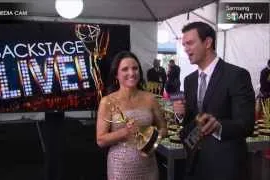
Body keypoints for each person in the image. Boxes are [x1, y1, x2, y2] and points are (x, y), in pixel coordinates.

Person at [173, 21, 255, 180]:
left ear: (208, 42)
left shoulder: (236, 75)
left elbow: (246, 124)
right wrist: (180, 115)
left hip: (226, 166)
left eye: (190, 43)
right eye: (184, 45)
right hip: (195, 163)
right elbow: (191, 121)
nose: (186, 49)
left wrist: (218, 126)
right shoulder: (189, 80)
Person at [96, 51, 167, 180]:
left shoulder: (150, 98)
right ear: (116, 74)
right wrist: (124, 132)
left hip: (148, 167)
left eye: (135, 68)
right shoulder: (107, 101)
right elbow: (101, 140)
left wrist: (152, 140)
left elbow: (163, 128)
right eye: (125, 69)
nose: (132, 73)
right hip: (119, 168)